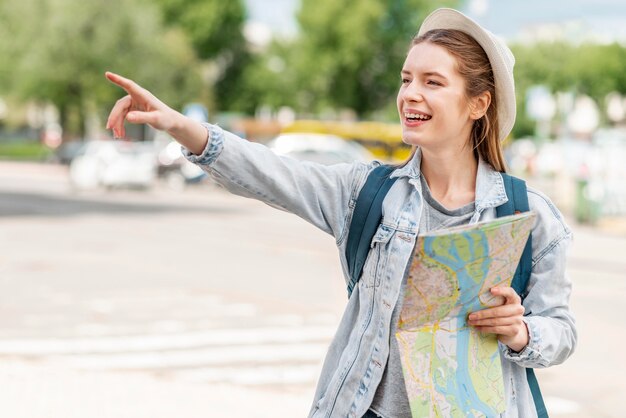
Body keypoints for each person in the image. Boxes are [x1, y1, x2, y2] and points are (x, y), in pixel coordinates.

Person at [105, 8, 576, 418]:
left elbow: (560, 331)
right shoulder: (367, 193)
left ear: (479, 103)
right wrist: (179, 125)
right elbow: (273, 173)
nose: (411, 93)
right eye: (407, 79)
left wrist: (521, 331)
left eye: (433, 82)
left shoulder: (530, 216)